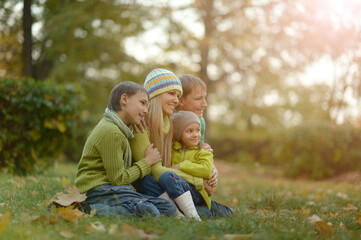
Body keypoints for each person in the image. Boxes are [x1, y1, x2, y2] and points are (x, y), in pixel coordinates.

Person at [74, 81, 176, 218]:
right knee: (150, 212)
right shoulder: (112, 132)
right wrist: (147, 161)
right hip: (98, 189)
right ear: (124, 99)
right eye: (142, 103)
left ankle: (112, 207)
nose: (146, 110)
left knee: (167, 207)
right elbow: (118, 179)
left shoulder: (122, 129)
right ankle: (87, 208)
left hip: (112, 188)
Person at [130, 68, 211, 220]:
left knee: (210, 212)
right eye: (171, 93)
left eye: (177, 95)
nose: (176, 100)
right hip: (155, 183)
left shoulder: (171, 124)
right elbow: (155, 171)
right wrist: (198, 181)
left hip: (172, 184)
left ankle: (184, 211)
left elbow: (191, 154)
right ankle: (178, 213)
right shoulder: (140, 125)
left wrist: (210, 171)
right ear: (155, 94)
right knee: (146, 179)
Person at [170, 110, 233, 218]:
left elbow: (206, 170)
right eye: (189, 131)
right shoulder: (172, 151)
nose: (195, 135)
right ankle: (204, 211)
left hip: (198, 194)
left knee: (211, 212)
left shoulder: (203, 151)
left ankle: (225, 211)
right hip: (180, 194)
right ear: (178, 133)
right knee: (205, 214)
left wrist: (181, 166)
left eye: (198, 130)